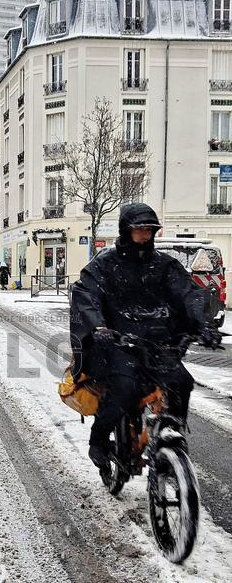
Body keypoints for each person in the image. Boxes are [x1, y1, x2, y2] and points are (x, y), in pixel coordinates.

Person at [69, 202, 221, 472]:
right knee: (124, 389)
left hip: (158, 343)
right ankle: (99, 440)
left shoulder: (165, 266)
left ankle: (171, 433)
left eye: (149, 230)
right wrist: (98, 327)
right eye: (139, 230)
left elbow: (188, 294)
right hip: (119, 342)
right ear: (126, 231)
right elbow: (86, 295)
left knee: (181, 381)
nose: (145, 235)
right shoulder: (105, 264)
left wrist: (204, 325)